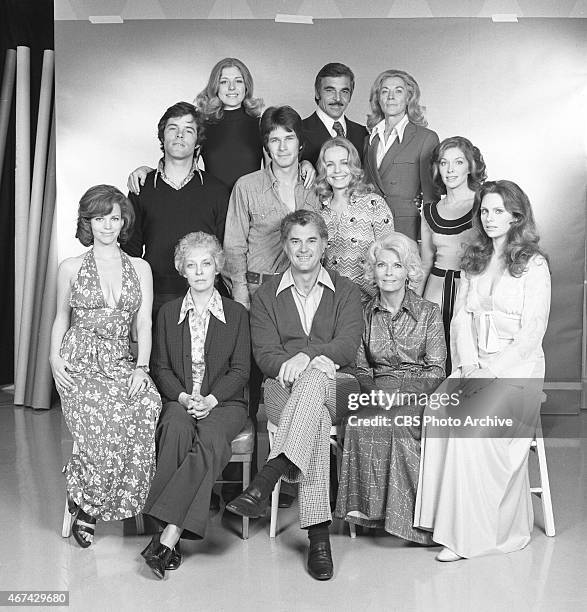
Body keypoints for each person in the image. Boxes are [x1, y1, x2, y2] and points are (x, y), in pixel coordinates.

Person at [414, 180, 551, 561]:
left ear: (516, 216)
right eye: (485, 211)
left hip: (515, 370)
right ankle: (445, 523)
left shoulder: (534, 264)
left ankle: (472, 535)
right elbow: (459, 320)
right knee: (440, 409)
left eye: (498, 211)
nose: (489, 219)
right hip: (474, 364)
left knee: (466, 417)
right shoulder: (474, 259)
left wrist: (490, 370)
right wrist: (468, 364)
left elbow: (532, 333)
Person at [226, 210, 363, 581]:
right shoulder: (267, 294)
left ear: (324, 244)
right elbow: (264, 353)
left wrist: (310, 359)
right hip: (280, 388)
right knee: (314, 416)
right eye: (295, 241)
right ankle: (319, 538)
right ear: (285, 246)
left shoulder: (347, 291)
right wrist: (299, 363)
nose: (304, 249)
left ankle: (269, 473)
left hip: (338, 384)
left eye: (312, 240)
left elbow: (347, 347)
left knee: (317, 380)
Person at [50, 185, 161, 548]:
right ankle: (88, 507)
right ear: (88, 222)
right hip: (79, 360)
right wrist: (54, 358)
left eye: (115, 218)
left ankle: (94, 494)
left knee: (147, 404)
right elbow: (60, 317)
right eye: (100, 219)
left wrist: (141, 368)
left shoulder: (140, 268)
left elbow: (143, 322)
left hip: (119, 359)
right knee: (103, 417)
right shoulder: (70, 267)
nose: (108, 226)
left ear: (124, 221)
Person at [140, 232, 250, 580]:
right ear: (182, 270)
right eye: (192, 265)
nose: (200, 271)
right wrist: (186, 398)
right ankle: (166, 534)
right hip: (180, 397)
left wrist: (212, 400)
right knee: (174, 428)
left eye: (207, 263)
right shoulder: (168, 312)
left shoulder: (236, 313)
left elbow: (241, 370)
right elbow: (161, 368)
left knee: (212, 440)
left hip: (226, 402)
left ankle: (167, 535)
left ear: (218, 267)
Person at [334, 232, 446, 544]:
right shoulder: (364, 314)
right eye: (381, 265)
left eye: (396, 266)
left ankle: (416, 523)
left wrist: (403, 394)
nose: (388, 272)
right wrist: (374, 392)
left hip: (419, 391)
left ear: (409, 271)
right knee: (359, 421)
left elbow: (437, 368)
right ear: (373, 271)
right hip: (378, 389)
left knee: (401, 423)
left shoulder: (429, 312)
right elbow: (360, 367)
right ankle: (367, 514)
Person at [122, 101, 229, 316]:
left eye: (188, 130)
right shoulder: (141, 188)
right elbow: (130, 252)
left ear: (197, 140)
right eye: (173, 128)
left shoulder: (217, 190)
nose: (180, 135)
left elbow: (226, 249)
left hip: (204, 296)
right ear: (162, 136)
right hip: (154, 298)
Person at [420, 136, 487, 369]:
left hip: (469, 289)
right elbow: (425, 263)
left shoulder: (483, 204)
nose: (450, 170)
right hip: (435, 291)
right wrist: (413, 305)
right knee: (434, 357)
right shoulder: (429, 211)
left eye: (458, 162)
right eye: (443, 162)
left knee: (468, 356)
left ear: (471, 166)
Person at [363, 69, 439, 241]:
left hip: (406, 229)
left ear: (408, 98)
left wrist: (427, 243)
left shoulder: (426, 138)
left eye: (398, 91)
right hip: (369, 228)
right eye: (385, 91)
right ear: (378, 98)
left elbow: (430, 198)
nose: (391, 96)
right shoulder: (369, 140)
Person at [315, 136, 394, 299]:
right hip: (330, 303)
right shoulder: (318, 212)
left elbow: (390, 257)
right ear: (323, 170)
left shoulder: (374, 204)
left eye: (344, 163)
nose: (337, 170)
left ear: (353, 166)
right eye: (330, 165)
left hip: (370, 302)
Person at [302, 62, 368, 166]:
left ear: (351, 95)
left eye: (344, 92)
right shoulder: (298, 132)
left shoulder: (364, 134)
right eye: (330, 91)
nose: (337, 98)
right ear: (317, 92)